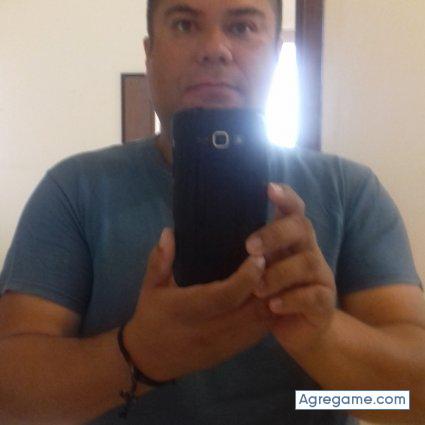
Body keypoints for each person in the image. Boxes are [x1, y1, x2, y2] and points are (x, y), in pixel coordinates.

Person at [0, 0, 424, 424]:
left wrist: (322, 338)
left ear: (276, 55)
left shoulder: (349, 190)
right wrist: (140, 354)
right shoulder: (75, 189)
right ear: (149, 54)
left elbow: (413, 403)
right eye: (185, 25)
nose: (215, 49)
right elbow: (11, 401)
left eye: (242, 27)